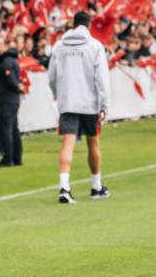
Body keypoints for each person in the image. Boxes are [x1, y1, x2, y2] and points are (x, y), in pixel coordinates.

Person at [47, 11, 111, 203]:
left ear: (73, 25)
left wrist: (58, 93)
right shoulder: (95, 46)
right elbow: (102, 78)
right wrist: (105, 104)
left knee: (68, 142)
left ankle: (64, 187)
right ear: (89, 25)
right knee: (93, 142)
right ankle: (96, 186)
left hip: (68, 100)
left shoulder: (59, 45)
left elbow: (51, 75)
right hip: (89, 102)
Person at [0, 36, 22, 167]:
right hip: (11, 100)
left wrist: (18, 88)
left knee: (7, 130)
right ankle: (17, 158)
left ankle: (8, 158)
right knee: (14, 129)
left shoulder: (6, 62)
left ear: (6, 46)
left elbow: (12, 81)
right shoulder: (11, 60)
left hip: (7, 101)